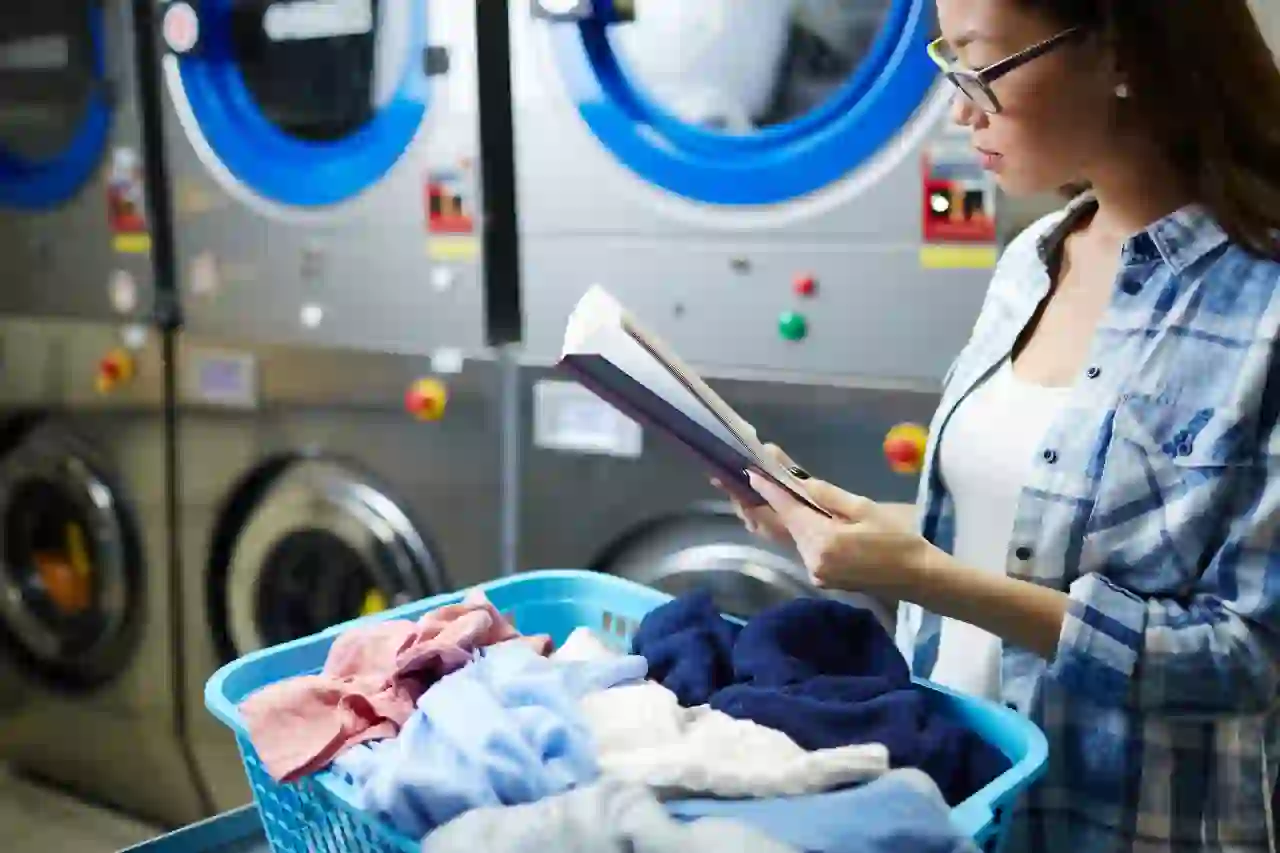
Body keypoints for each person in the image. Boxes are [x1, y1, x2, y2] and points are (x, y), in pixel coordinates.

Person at [715, 1, 1280, 850]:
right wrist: (852, 524)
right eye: (950, 64)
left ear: (1118, 50)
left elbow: (1247, 659)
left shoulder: (1263, 304)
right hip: (965, 794)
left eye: (980, 65)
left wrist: (932, 578)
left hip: (1132, 820)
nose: (960, 109)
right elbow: (1022, 532)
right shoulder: (1033, 259)